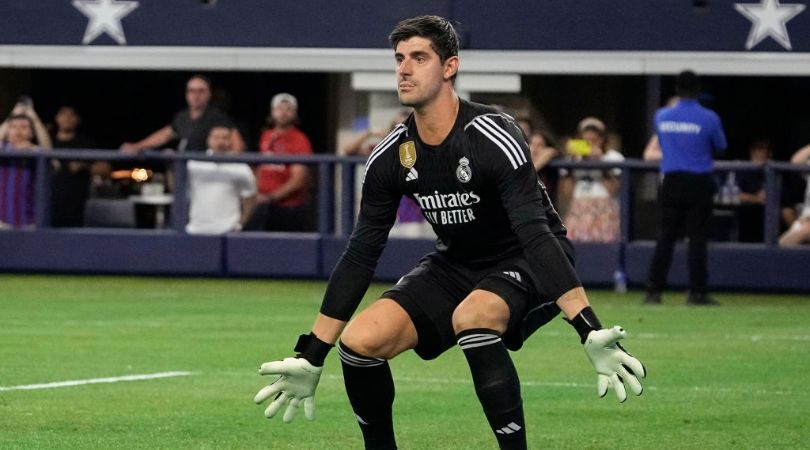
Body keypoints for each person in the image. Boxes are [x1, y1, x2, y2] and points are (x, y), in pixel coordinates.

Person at [254, 16, 646, 450]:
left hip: (527, 258)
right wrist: (312, 352)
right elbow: (362, 254)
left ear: (449, 67)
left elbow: (535, 233)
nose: (404, 68)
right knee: (360, 341)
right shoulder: (390, 156)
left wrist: (587, 327)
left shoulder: (492, 134)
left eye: (418, 58)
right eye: (399, 59)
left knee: (472, 318)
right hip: (456, 262)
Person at [644, 70, 727, 306]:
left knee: (665, 237)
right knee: (697, 238)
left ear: (677, 89)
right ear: (698, 89)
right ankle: (697, 293)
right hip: (699, 181)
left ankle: (653, 290)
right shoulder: (709, 118)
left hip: (671, 181)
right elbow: (720, 146)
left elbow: (661, 142)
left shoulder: (662, 116)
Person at [343, 109, 433, 239]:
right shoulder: (383, 149)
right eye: (396, 128)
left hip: (410, 220)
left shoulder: (423, 149)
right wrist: (370, 133)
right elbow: (348, 150)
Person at [120, 75, 245, 153]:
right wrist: (137, 146)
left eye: (201, 91)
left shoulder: (217, 117)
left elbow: (238, 145)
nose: (196, 95)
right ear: (186, 94)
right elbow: (164, 135)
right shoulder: (182, 117)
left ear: (209, 94)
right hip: (185, 171)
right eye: (192, 91)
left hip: (206, 171)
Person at [244, 93, 313, 232]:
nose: (283, 113)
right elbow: (260, 168)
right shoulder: (266, 135)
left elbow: (299, 179)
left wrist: (270, 197)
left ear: (294, 114)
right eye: (279, 109)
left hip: (288, 208)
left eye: (288, 109)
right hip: (263, 206)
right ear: (272, 112)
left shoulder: (299, 139)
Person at [557, 117, 624, 243]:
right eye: (586, 141)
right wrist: (571, 164)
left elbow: (613, 190)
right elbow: (566, 193)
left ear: (603, 140)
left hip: (604, 209)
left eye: (594, 141)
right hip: (579, 210)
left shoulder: (613, 157)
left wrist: (600, 163)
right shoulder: (573, 159)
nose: (590, 145)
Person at [185, 125, 256, 234]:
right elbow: (177, 189)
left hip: (227, 230)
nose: (220, 142)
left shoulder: (241, 167)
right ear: (209, 140)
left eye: (225, 138)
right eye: (216, 137)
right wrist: (171, 168)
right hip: (196, 229)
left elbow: (250, 198)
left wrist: (240, 225)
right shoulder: (195, 164)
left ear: (230, 141)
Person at [49, 105, 108, 227]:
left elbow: (106, 168)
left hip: (76, 207)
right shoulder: (48, 142)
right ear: (57, 118)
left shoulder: (86, 143)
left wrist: (85, 166)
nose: (67, 118)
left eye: (72, 115)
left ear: (77, 120)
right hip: (48, 206)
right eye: (63, 114)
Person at [0, 114, 47, 228]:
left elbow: (49, 152)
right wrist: (12, 114)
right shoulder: (3, 150)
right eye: (13, 127)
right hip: (2, 222)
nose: (18, 131)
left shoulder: (36, 152)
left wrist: (35, 119)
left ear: (31, 133)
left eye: (24, 127)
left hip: (29, 223)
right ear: (7, 131)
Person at [778, 144, 810, 246]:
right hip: (804, 220)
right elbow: (796, 162)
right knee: (780, 245)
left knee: (805, 230)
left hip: (807, 224)